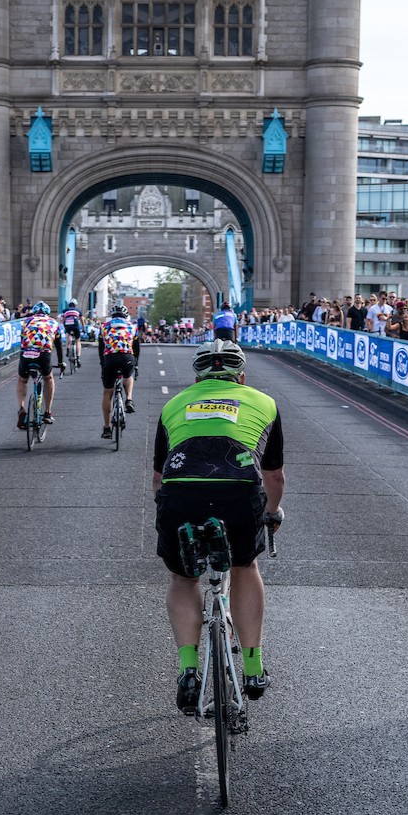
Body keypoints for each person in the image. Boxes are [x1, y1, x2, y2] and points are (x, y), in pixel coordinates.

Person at [152, 340, 285, 713]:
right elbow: (274, 477)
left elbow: (159, 479)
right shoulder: (264, 402)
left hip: (181, 494)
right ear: (242, 376)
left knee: (183, 578)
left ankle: (189, 669)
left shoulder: (173, 405)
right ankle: (254, 668)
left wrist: (168, 512)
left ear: (197, 378)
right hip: (240, 491)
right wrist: (271, 513)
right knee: (244, 567)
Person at [16, 301, 64, 429]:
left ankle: (21, 408)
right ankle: (47, 412)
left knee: (22, 380)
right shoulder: (54, 323)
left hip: (26, 353)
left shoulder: (26, 321)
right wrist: (60, 362)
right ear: (47, 313)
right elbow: (58, 346)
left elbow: (22, 340)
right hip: (43, 354)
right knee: (48, 378)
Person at [98, 303, 139, 438]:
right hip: (127, 356)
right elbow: (136, 348)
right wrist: (136, 364)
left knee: (107, 392)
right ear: (125, 315)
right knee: (128, 376)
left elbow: (101, 348)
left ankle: (107, 428)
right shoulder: (132, 327)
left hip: (110, 358)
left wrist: (102, 364)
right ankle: (129, 399)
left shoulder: (104, 327)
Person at [60, 297, 84, 366]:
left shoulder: (65, 310)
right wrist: (84, 328)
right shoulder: (78, 310)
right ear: (75, 305)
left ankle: (67, 349)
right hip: (75, 325)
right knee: (78, 341)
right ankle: (78, 358)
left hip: (68, 325)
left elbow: (62, 319)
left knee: (68, 336)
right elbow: (82, 320)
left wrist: (64, 326)